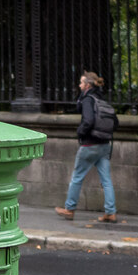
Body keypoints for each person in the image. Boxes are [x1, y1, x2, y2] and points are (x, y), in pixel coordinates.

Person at [55, 70, 119, 223]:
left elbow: (88, 121)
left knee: (77, 177)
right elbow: (115, 122)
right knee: (106, 180)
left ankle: (69, 209)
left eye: (81, 82)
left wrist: (80, 133)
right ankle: (111, 212)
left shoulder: (88, 100)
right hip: (105, 145)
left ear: (87, 85)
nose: (79, 85)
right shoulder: (101, 100)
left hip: (90, 144)